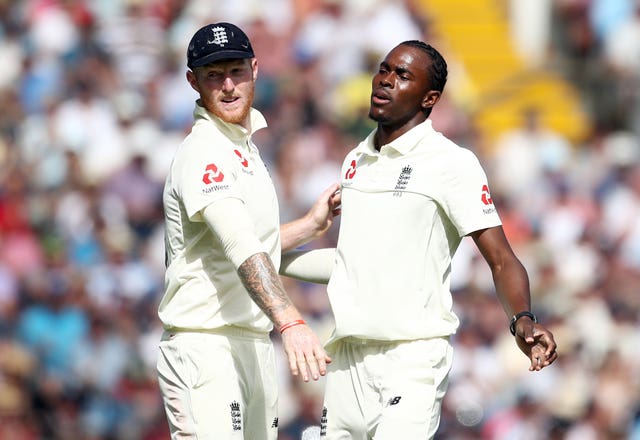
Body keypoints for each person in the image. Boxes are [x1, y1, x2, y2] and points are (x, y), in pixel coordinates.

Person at [280, 40, 558, 439]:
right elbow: (349, 265)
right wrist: (264, 257)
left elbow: (500, 258)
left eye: (402, 75)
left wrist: (523, 321)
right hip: (347, 358)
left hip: (411, 357)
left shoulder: (451, 162)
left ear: (430, 98)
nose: (385, 81)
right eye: (384, 69)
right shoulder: (356, 159)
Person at [156, 22, 341, 439]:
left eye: (236, 71)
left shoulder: (246, 151)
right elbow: (240, 245)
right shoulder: (204, 150)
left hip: (253, 343)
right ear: (192, 81)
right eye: (213, 75)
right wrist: (291, 321)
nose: (227, 86)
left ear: (255, 69)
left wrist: (310, 226)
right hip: (205, 344)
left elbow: (249, 241)